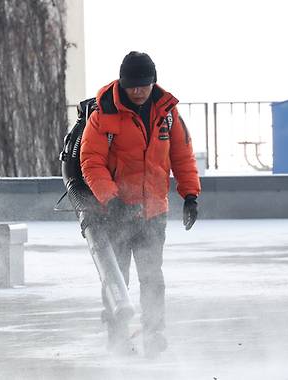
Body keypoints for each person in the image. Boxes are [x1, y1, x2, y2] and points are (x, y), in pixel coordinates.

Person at [80, 51, 201, 357]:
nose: (138, 90)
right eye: (132, 85)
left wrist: (190, 195)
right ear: (123, 83)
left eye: (144, 84)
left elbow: (182, 155)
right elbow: (91, 161)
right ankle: (118, 339)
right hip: (115, 212)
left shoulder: (167, 112)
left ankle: (155, 333)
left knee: (152, 278)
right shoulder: (103, 115)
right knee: (117, 279)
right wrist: (111, 199)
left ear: (152, 82)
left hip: (152, 213)